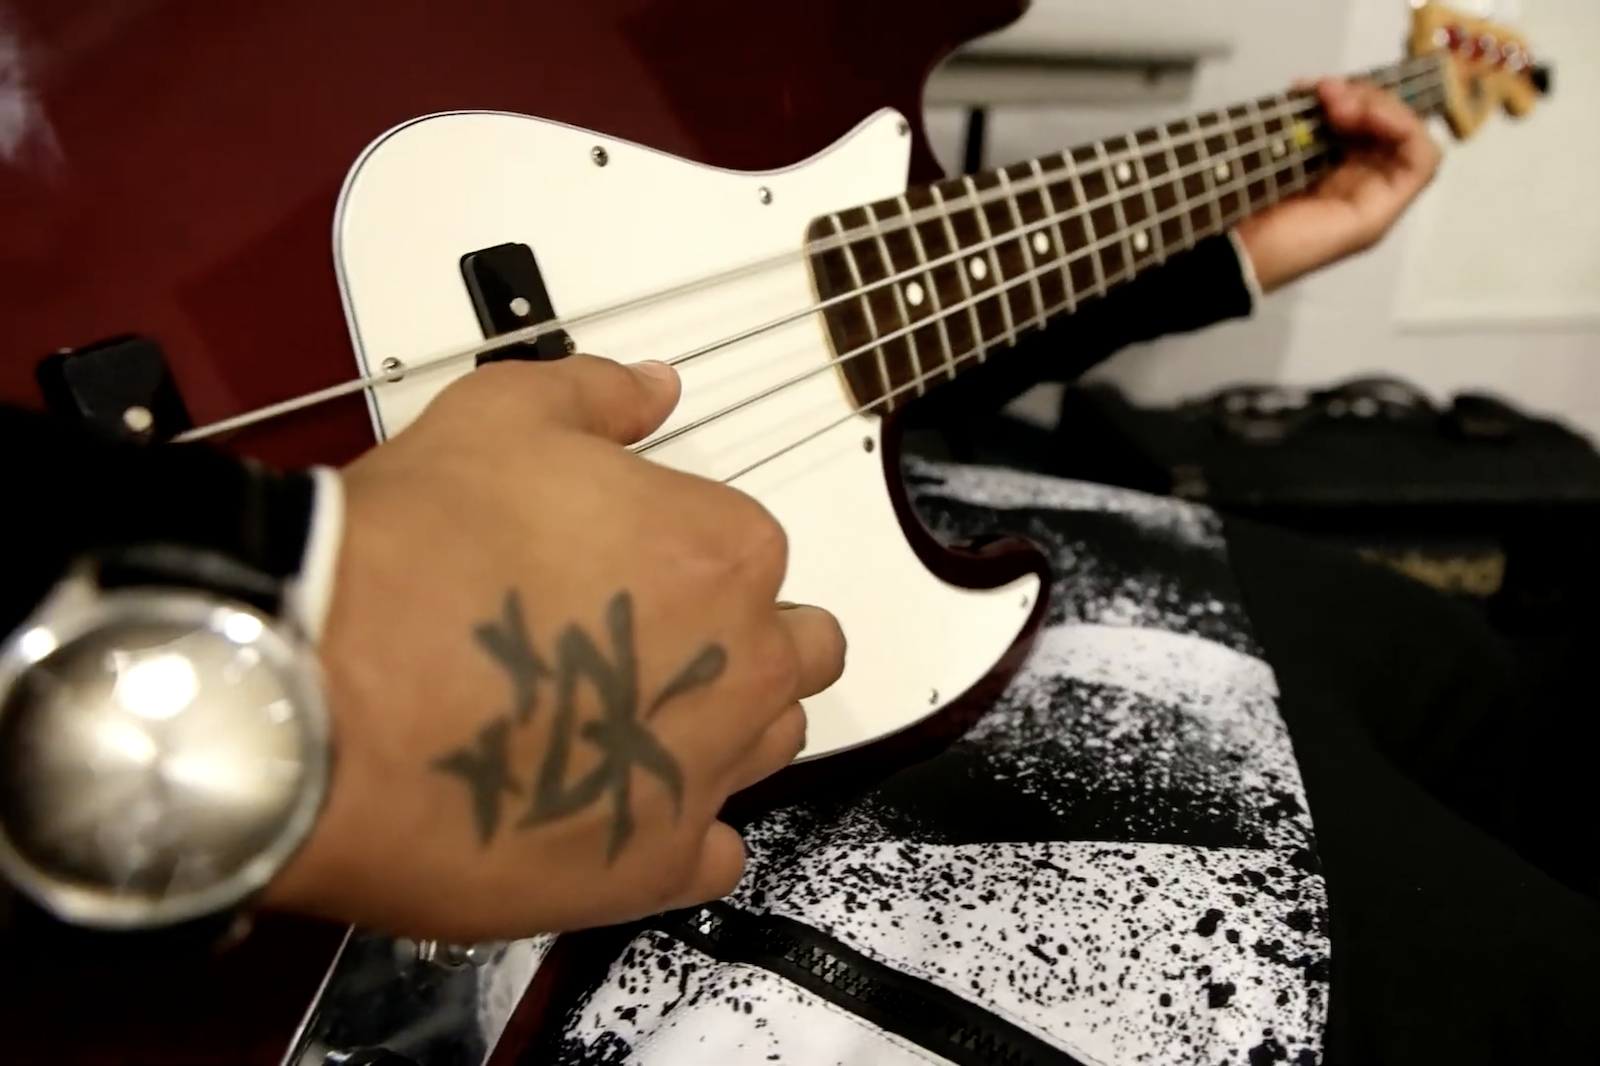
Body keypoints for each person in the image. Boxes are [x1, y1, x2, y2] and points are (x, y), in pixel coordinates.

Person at [1, 77, 1593, 1066]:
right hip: (291, 878)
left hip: (792, 564)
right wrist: (299, 628)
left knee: (1449, 667)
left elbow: (768, 295)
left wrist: (1217, 254)